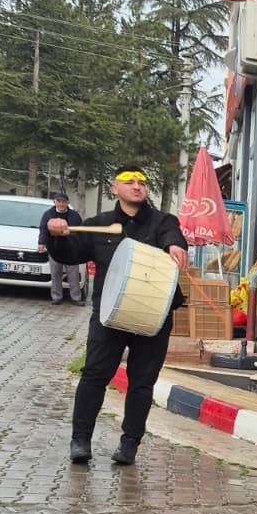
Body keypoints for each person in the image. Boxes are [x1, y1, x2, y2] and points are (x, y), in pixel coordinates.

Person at [45, 164, 188, 467]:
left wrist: (175, 244)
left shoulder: (163, 222)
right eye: (129, 181)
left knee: (142, 383)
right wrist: (56, 235)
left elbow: (172, 235)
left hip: (152, 319)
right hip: (109, 317)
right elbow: (68, 254)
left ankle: (130, 444)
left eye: (142, 181)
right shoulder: (100, 225)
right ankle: (80, 440)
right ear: (115, 188)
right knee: (94, 376)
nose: (138, 186)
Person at [38, 192, 84, 304]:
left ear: (67, 203)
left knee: (73, 275)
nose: (61, 204)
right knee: (56, 273)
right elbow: (43, 229)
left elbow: (80, 231)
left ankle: (76, 298)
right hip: (54, 248)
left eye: (63, 201)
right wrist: (41, 243)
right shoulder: (48, 214)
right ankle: (56, 296)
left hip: (71, 249)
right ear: (54, 202)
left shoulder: (74, 215)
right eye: (59, 201)